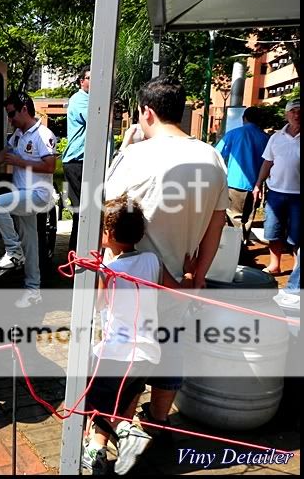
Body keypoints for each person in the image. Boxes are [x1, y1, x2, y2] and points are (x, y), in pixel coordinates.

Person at [105, 75, 229, 442]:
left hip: (135, 281)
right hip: (181, 280)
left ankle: (119, 425)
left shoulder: (134, 156)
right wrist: (199, 277)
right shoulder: (212, 158)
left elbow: (107, 215)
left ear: (147, 112)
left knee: (129, 362)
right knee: (171, 351)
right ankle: (159, 418)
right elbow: (215, 226)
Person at [83, 194, 195, 475]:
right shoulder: (152, 261)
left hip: (112, 353)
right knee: (120, 402)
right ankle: (116, 436)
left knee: (90, 402)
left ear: (107, 234)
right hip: (146, 354)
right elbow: (180, 295)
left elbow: (95, 305)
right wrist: (191, 275)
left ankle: (120, 436)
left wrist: (94, 273)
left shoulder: (108, 271)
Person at [0, 91, 56, 308]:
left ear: (24, 109)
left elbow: (50, 166)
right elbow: (5, 153)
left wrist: (19, 161)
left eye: (12, 113)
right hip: (23, 195)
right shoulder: (18, 134)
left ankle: (13, 251)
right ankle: (33, 290)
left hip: (38, 196)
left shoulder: (43, 134)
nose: (10, 119)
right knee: (31, 243)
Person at [253, 99, 300, 279]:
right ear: (287, 114)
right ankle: (275, 265)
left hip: (298, 195)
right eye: (293, 111)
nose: (297, 115)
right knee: (273, 230)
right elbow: (267, 162)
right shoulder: (275, 137)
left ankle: (297, 271)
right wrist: (258, 184)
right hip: (276, 192)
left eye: (300, 111)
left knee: (297, 234)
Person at [215, 106, 269, 245]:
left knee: (234, 217)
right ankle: (243, 242)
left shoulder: (234, 134)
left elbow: (216, 154)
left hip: (235, 183)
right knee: (249, 217)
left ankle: (236, 249)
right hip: (256, 185)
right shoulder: (265, 138)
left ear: (244, 118)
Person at [61, 65, 91, 252]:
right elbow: (97, 119)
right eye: (90, 78)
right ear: (82, 81)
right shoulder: (80, 99)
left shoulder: (91, 100)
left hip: (84, 162)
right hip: (77, 163)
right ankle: (76, 256)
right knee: (82, 212)